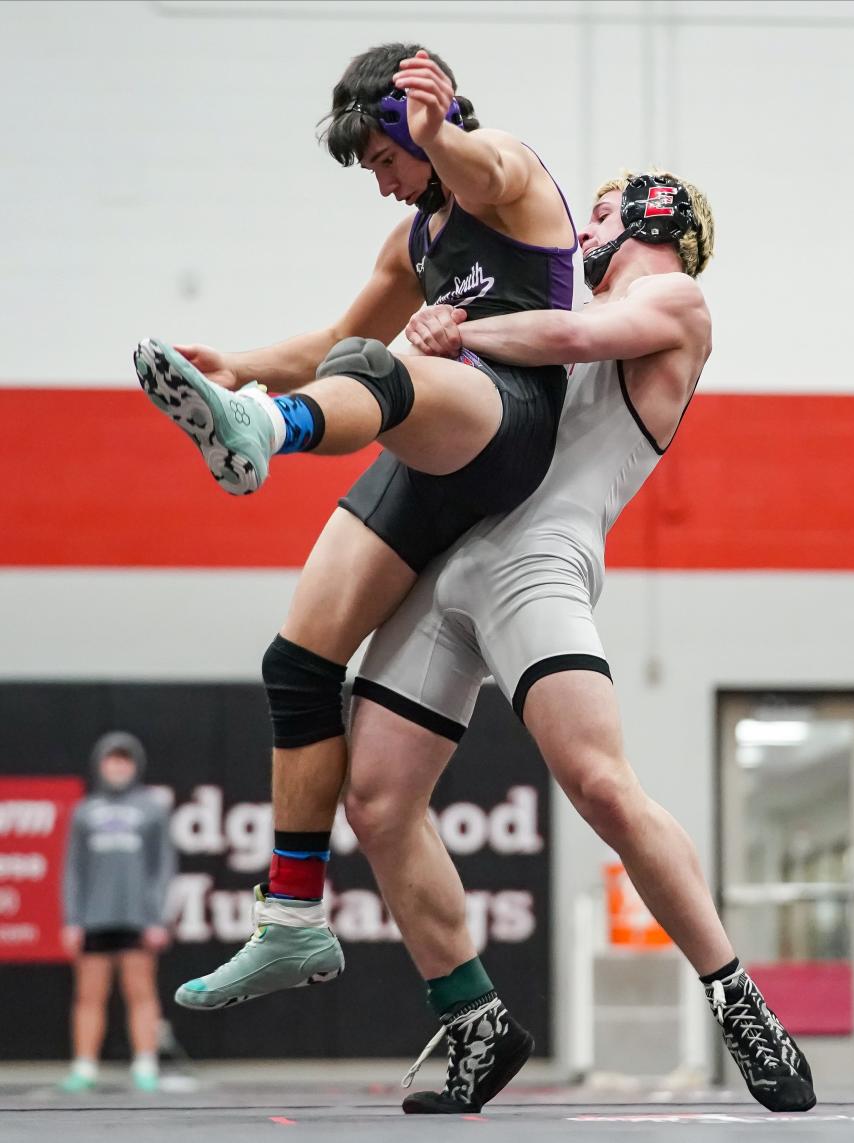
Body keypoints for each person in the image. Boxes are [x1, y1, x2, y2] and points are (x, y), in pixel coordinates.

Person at [340, 171, 817, 1115]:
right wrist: (437, 334)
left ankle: (734, 991)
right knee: (377, 800)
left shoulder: (673, 298)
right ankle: (477, 1017)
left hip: (541, 560)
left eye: (600, 212)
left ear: (655, 218)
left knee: (601, 784)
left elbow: (574, 339)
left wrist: (457, 325)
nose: (580, 228)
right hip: (457, 557)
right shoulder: (554, 293)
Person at [133, 43, 577, 1009]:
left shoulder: (504, 168)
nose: (381, 186)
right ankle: (290, 917)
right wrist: (237, 363)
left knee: (382, 371)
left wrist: (436, 129)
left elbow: (482, 166)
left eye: (384, 163)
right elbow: (337, 339)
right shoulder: (414, 238)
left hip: (508, 422)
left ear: (419, 124)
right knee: (298, 660)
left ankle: (273, 434)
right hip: (426, 430)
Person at [60, 732, 175, 1093]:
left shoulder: (151, 808)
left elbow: (164, 866)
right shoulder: (84, 811)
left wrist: (157, 916)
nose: (118, 766)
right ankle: (84, 1066)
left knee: (140, 991)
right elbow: (72, 870)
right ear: (100, 763)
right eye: (112, 759)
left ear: (135, 764)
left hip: (137, 918)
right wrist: (72, 919)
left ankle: (145, 1063)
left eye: (124, 760)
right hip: (93, 919)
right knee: (88, 995)